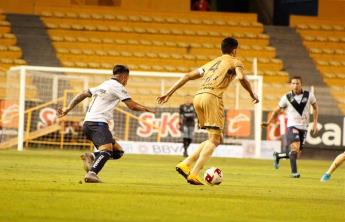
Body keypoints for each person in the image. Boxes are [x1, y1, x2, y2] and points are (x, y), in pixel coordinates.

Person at [157, 37, 259, 185]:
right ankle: (194, 173)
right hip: (212, 97)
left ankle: (185, 164)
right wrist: (252, 93)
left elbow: (187, 76)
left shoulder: (211, 63)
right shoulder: (235, 61)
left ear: (221, 49)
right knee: (215, 140)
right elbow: (242, 77)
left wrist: (168, 93)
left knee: (216, 138)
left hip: (197, 97)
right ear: (235, 50)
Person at [57, 65, 154, 183]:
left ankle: (92, 156)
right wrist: (146, 109)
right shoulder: (118, 87)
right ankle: (92, 174)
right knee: (107, 151)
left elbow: (83, 93)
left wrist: (68, 108)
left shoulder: (103, 85)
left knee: (117, 152)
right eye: (127, 78)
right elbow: (132, 106)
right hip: (98, 123)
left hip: (88, 123)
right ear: (124, 76)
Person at [262, 76, 319, 178]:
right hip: (292, 126)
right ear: (290, 85)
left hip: (304, 127)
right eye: (293, 83)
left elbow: (315, 107)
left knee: (296, 153)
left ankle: (278, 156)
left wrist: (315, 122)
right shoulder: (286, 97)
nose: (295, 85)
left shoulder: (309, 95)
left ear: (301, 84)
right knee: (294, 148)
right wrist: (268, 122)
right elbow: (276, 111)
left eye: (297, 83)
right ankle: (294, 173)